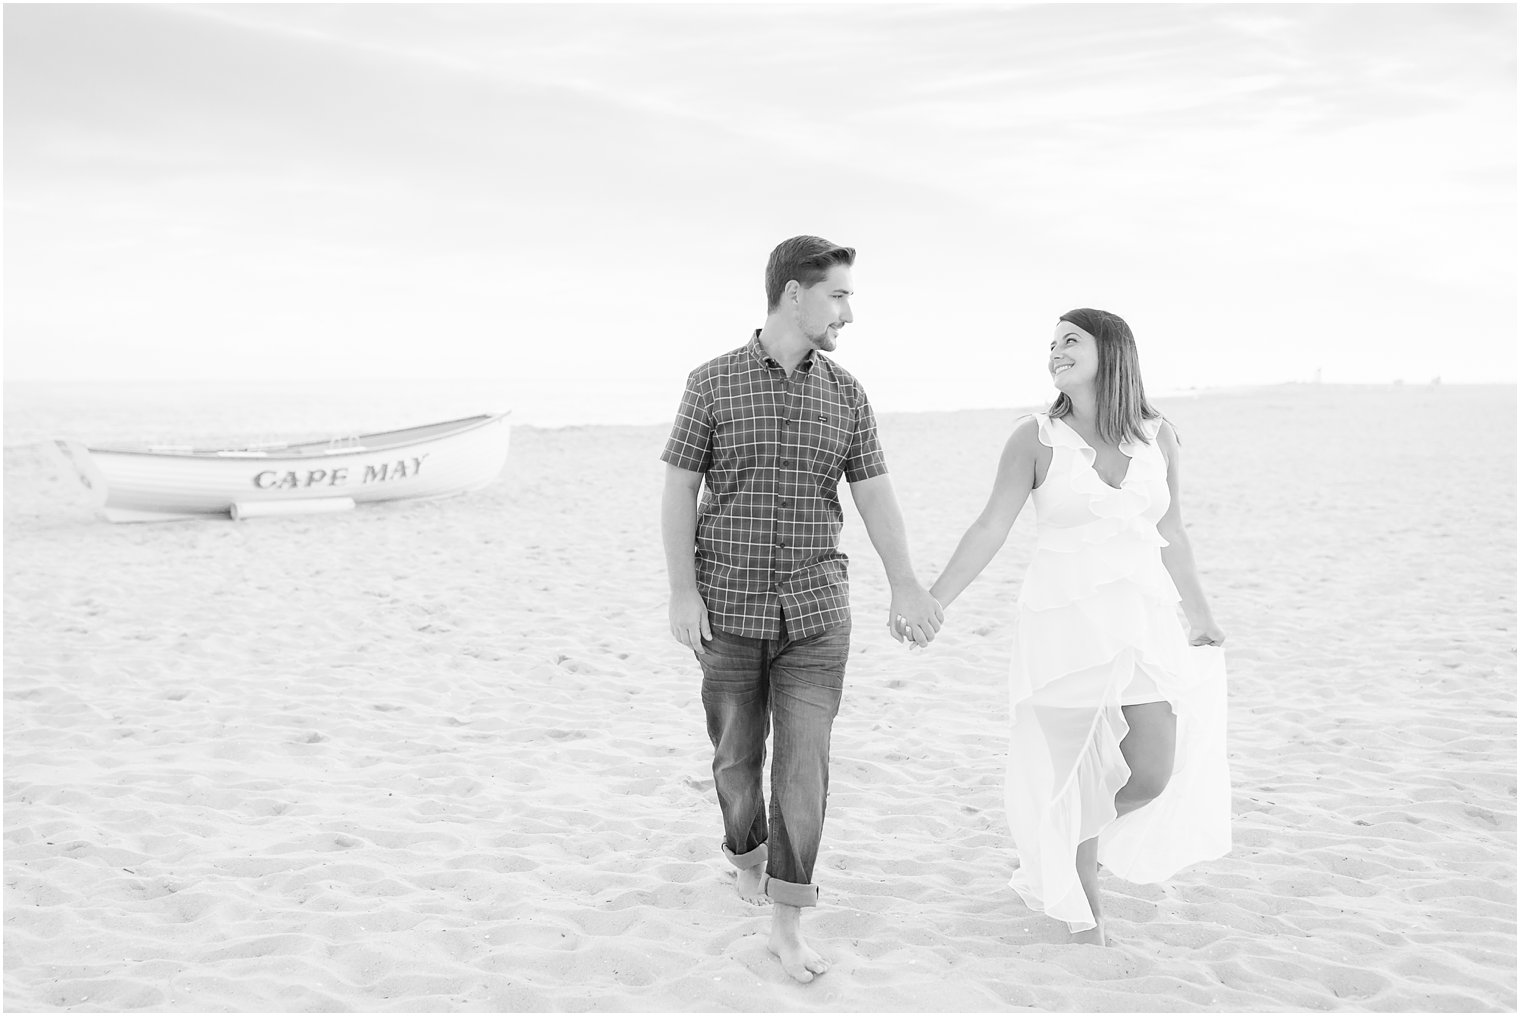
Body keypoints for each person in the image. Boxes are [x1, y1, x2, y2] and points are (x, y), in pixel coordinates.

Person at [660, 235, 943, 982]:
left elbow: (874, 494)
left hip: (817, 612)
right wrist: (682, 591)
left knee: (804, 768)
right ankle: (743, 853)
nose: (848, 312)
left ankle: (789, 918)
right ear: (794, 294)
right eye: (838, 296)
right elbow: (678, 488)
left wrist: (905, 583)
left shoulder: (847, 394)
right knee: (735, 758)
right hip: (727, 608)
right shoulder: (712, 383)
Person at [928, 308, 1231, 945]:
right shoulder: (1033, 438)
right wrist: (937, 599)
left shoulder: (1158, 436)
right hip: (1062, 625)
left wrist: (1198, 615)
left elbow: (1171, 530)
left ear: (1112, 352)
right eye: (1053, 344)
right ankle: (1085, 916)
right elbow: (991, 527)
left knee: (1150, 771)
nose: (1057, 352)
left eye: (1071, 341)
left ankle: (1058, 837)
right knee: (1079, 773)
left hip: (1142, 621)